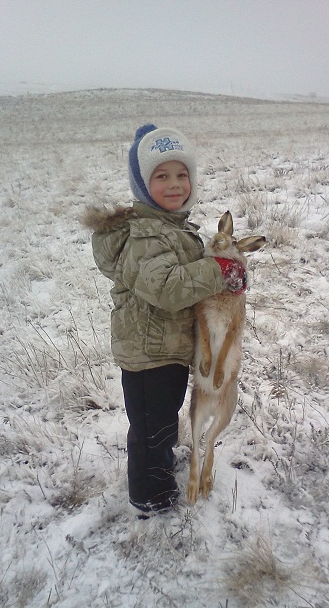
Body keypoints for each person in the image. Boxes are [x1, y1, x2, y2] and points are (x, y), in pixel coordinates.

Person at [81, 124, 237, 517]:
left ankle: (160, 465)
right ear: (142, 185)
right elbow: (168, 288)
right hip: (149, 354)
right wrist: (218, 270)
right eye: (161, 176)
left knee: (160, 421)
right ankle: (150, 496)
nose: (175, 184)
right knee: (152, 429)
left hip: (166, 348)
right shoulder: (146, 236)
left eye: (182, 174)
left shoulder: (170, 227)